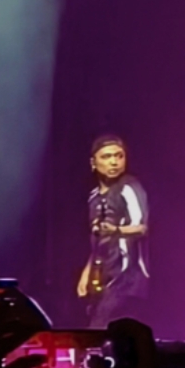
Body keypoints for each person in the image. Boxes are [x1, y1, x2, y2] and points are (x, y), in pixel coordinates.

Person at [79, 134, 151, 328]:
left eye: (119, 156)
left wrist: (116, 230)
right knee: (96, 324)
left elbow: (142, 228)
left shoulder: (129, 188)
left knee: (102, 326)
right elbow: (97, 241)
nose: (114, 162)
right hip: (104, 275)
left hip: (127, 275)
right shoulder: (94, 196)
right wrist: (87, 273)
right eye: (107, 157)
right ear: (93, 163)